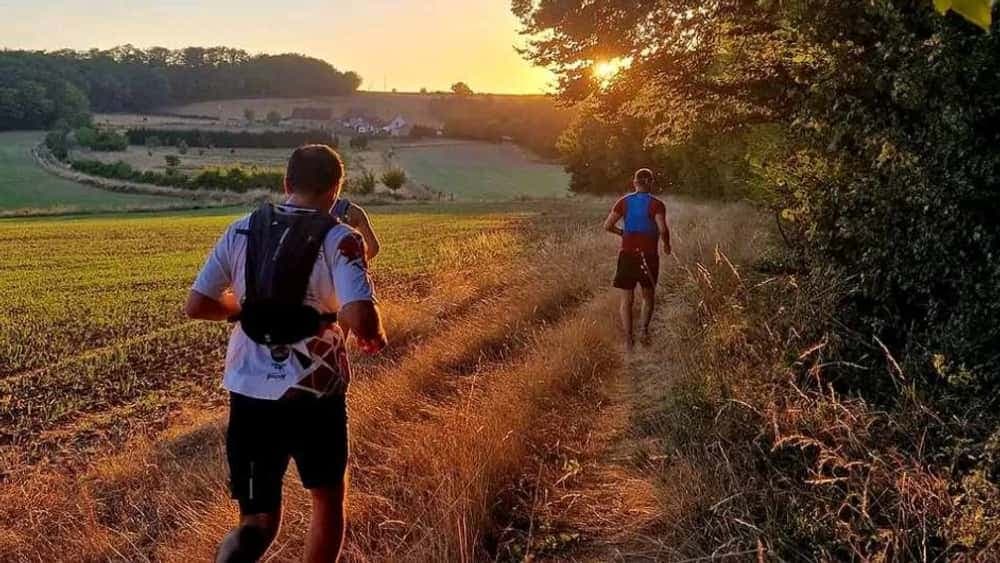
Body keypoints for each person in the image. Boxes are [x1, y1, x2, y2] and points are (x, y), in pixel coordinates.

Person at [185, 144, 387, 563]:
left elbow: (198, 305)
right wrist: (373, 331)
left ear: (286, 184)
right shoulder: (341, 238)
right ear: (336, 189)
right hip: (315, 395)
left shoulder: (240, 229)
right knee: (327, 500)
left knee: (255, 523)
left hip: (249, 393)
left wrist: (244, 309)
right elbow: (361, 319)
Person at [603, 168, 671, 351]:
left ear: (634, 183)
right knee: (648, 296)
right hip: (648, 256)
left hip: (626, 255)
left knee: (626, 300)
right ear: (650, 182)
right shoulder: (657, 204)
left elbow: (608, 225)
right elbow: (663, 229)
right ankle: (644, 332)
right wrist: (667, 244)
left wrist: (623, 233)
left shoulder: (624, 202)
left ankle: (628, 340)